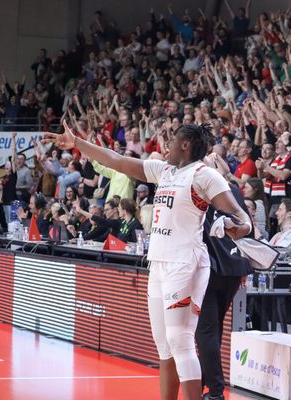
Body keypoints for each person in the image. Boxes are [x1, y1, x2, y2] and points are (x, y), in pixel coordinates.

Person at [43, 121, 251, 400]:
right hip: (160, 263)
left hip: (186, 263)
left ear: (185, 145)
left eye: (172, 140)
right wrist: (78, 144)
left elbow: (240, 215)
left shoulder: (204, 175)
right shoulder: (163, 170)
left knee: (181, 341)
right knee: (164, 346)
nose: (166, 146)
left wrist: (241, 227)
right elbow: (117, 160)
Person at [196, 183, 253, 400]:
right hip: (232, 267)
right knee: (212, 332)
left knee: (205, 333)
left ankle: (216, 391)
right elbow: (248, 230)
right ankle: (203, 384)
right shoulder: (233, 189)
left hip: (209, 268)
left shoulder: (197, 188)